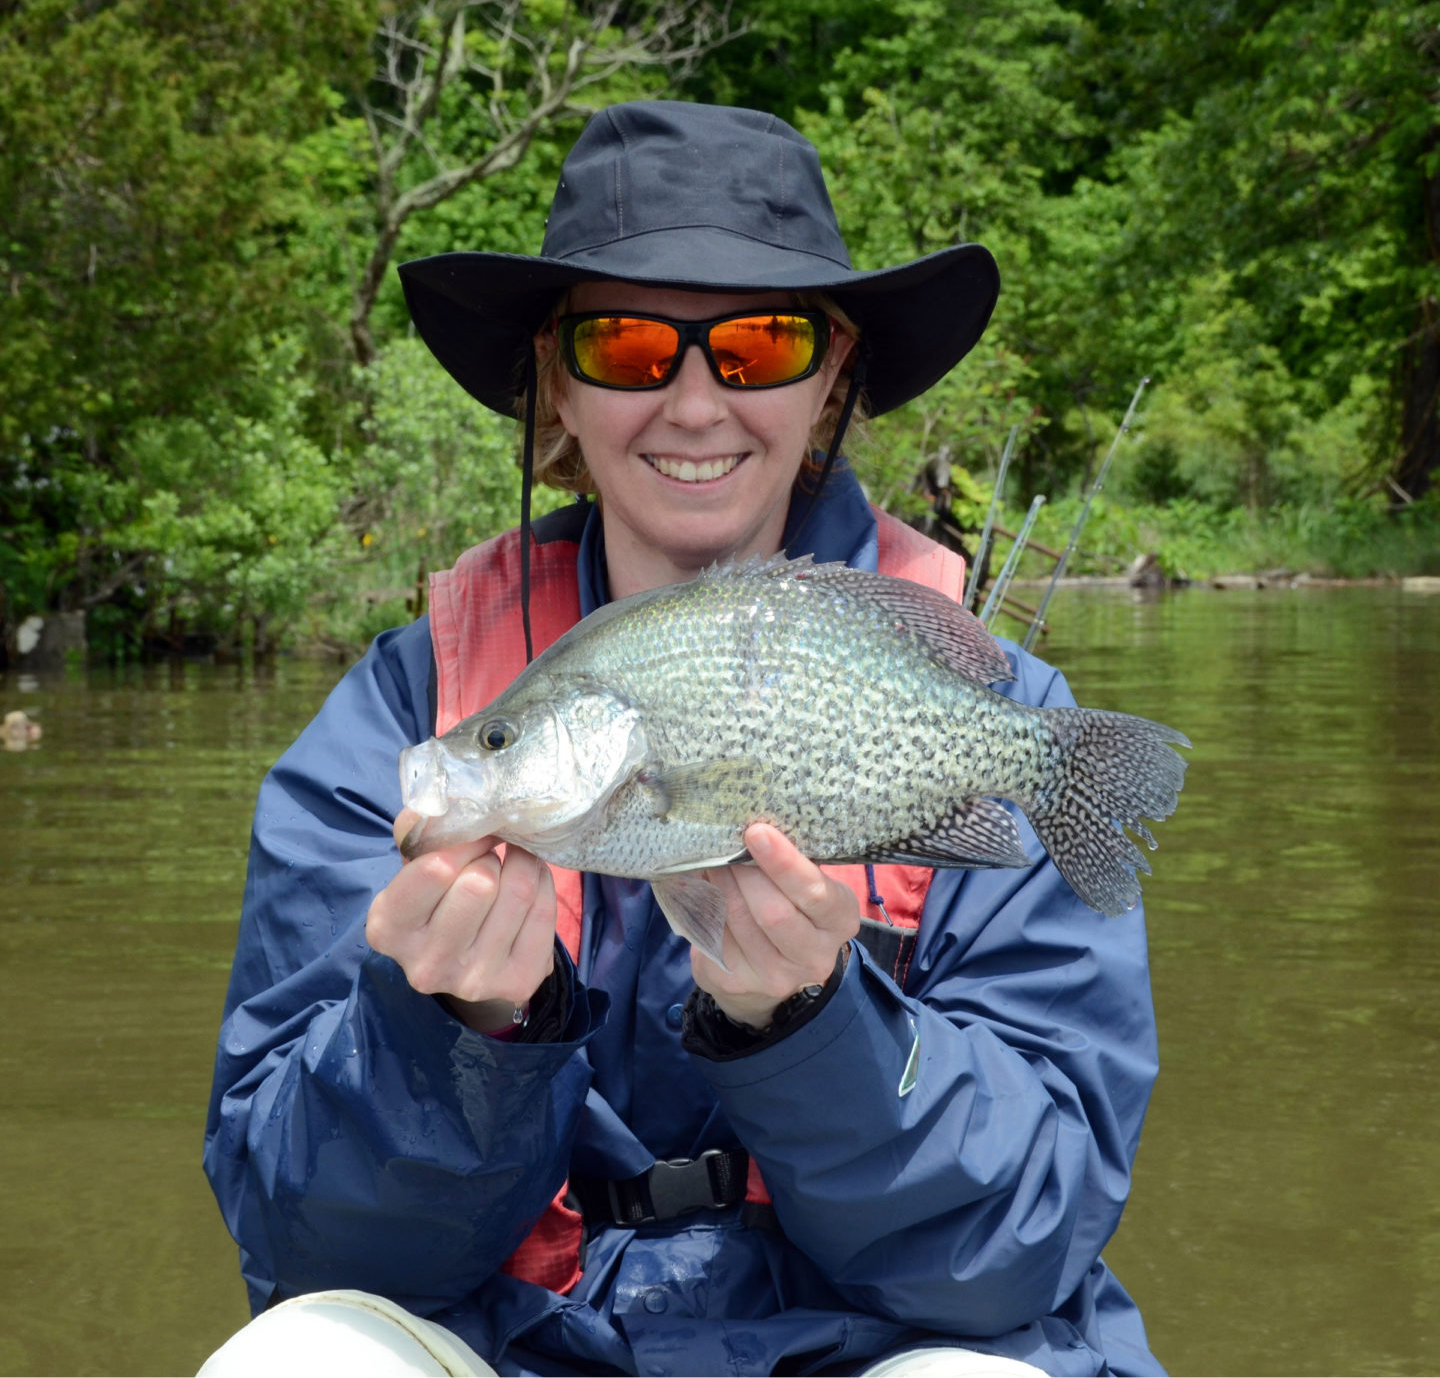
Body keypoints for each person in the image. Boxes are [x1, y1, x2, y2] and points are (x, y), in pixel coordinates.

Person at [202, 100, 1163, 1377]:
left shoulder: (1007, 723)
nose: (697, 400)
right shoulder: (401, 714)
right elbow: (293, 1237)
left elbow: (1026, 1247)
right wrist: (447, 1035)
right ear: (558, 376)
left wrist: (814, 1026)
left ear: (831, 376)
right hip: (525, 1339)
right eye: (629, 342)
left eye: (762, 344)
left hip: (877, 1342)